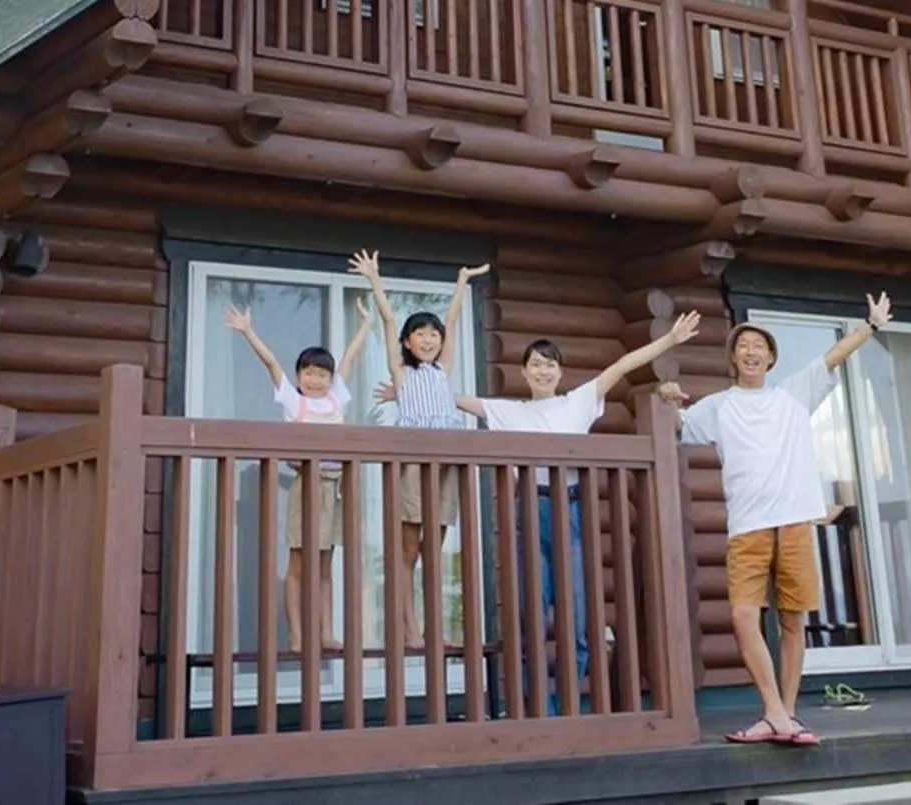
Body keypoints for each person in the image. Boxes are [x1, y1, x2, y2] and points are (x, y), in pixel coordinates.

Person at [379, 311, 704, 713]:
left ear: (559, 372)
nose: (542, 370)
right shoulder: (510, 412)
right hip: (528, 512)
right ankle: (542, 708)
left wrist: (669, 341)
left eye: (549, 364)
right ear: (524, 372)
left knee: (579, 619)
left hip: (568, 511)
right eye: (535, 363)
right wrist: (404, 390)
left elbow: (620, 365)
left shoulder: (578, 402)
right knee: (531, 616)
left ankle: (566, 699)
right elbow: (448, 397)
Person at [656, 292, 892, 748]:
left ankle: (785, 715)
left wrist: (872, 327)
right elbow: (676, 425)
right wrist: (666, 396)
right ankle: (775, 712)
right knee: (744, 615)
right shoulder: (717, 406)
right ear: (733, 358)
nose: (750, 352)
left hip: (795, 523)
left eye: (758, 347)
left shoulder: (792, 394)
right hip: (747, 527)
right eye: (742, 346)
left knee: (792, 622)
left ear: (770, 358)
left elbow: (834, 356)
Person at [348, 248, 486, 651]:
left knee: (433, 550)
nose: (429, 339)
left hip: (445, 464)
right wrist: (375, 280)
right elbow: (389, 321)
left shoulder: (443, 370)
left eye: (434, 333)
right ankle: (408, 626)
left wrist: (461, 282)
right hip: (411, 463)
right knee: (408, 548)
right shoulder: (402, 374)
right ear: (408, 342)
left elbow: (456, 318)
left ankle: (433, 629)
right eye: (421, 334)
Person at [224, 300, 376, 653]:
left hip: (337, 486)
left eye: (322, 373)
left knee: (325, 561)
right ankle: (295, 634)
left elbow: (350, 358)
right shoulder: (295, 402)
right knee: (298, 560)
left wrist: (366, 326)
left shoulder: (336, 398)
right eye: (308, 372)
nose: (315, 378)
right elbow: (270, 363)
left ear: (330, 378)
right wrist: (248, 331)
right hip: (307, 486)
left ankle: (324, 633)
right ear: (298, 377)